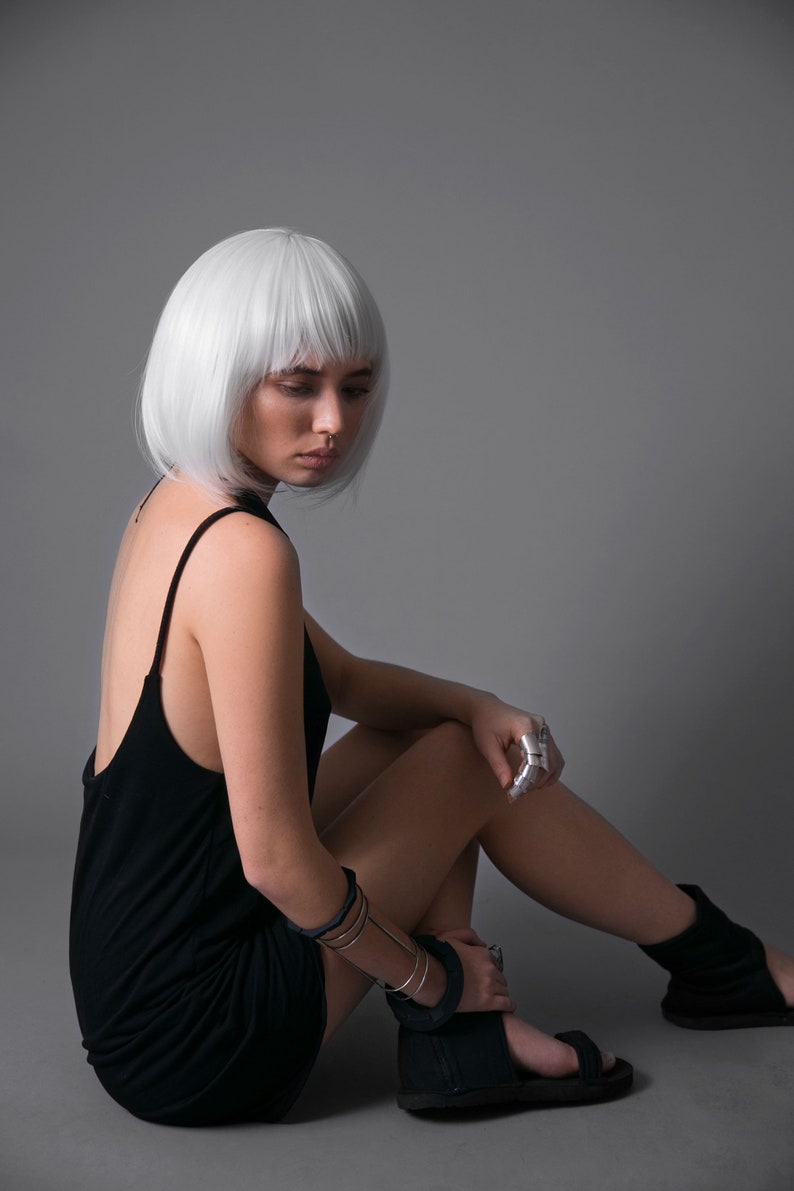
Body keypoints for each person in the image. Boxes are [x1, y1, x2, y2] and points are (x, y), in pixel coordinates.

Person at [69, 228, 794, 1127]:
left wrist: (479, 704)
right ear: (216, 373)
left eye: (357, 386)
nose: (333, 420)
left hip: (131, 992)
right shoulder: (246, 554)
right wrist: (433, 976)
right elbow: (277, 862)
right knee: (457, 764)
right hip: (196, 1034)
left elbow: (342, 679)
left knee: (432, 737)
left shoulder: (175, 505)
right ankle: (710, 964)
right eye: (299, 385)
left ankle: (489, 1039)